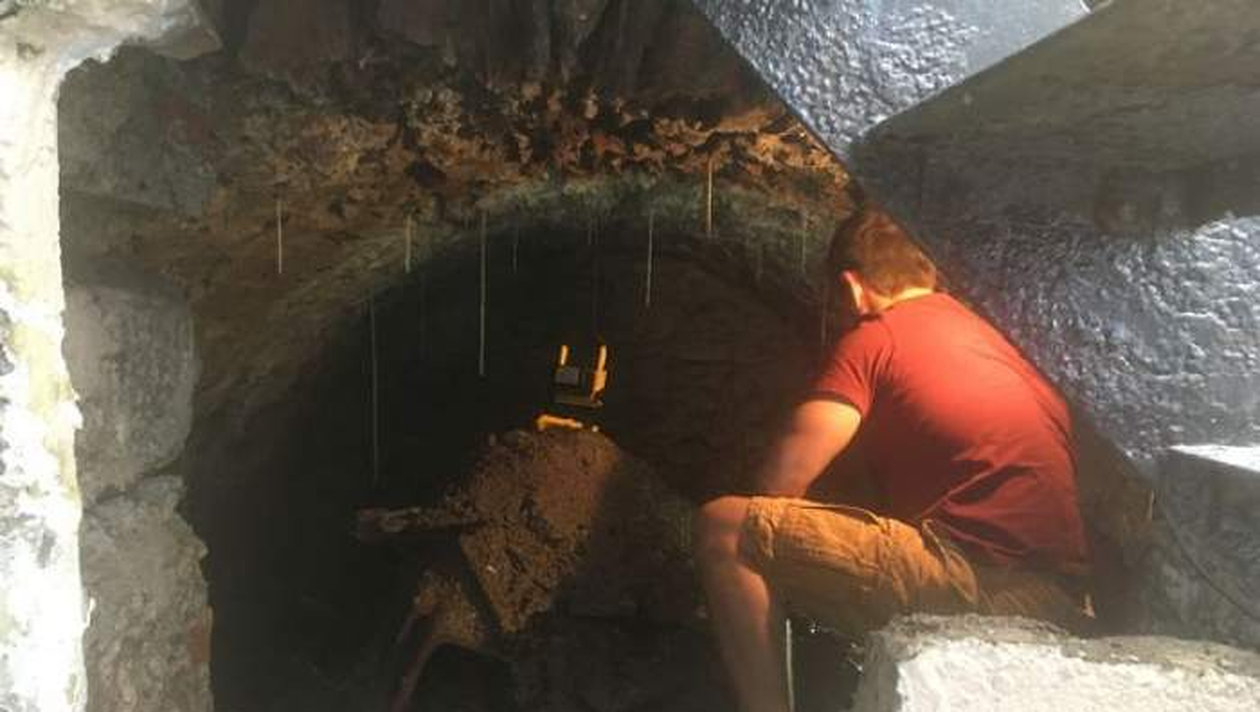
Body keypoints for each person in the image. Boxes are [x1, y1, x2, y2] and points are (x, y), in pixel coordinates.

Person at [693, 201, 1091, 712]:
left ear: (853, 288)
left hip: (978, 582)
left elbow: (782, 480)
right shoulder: (1001, 346)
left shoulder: (879, 334)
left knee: (726, 528)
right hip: (1062, 600)